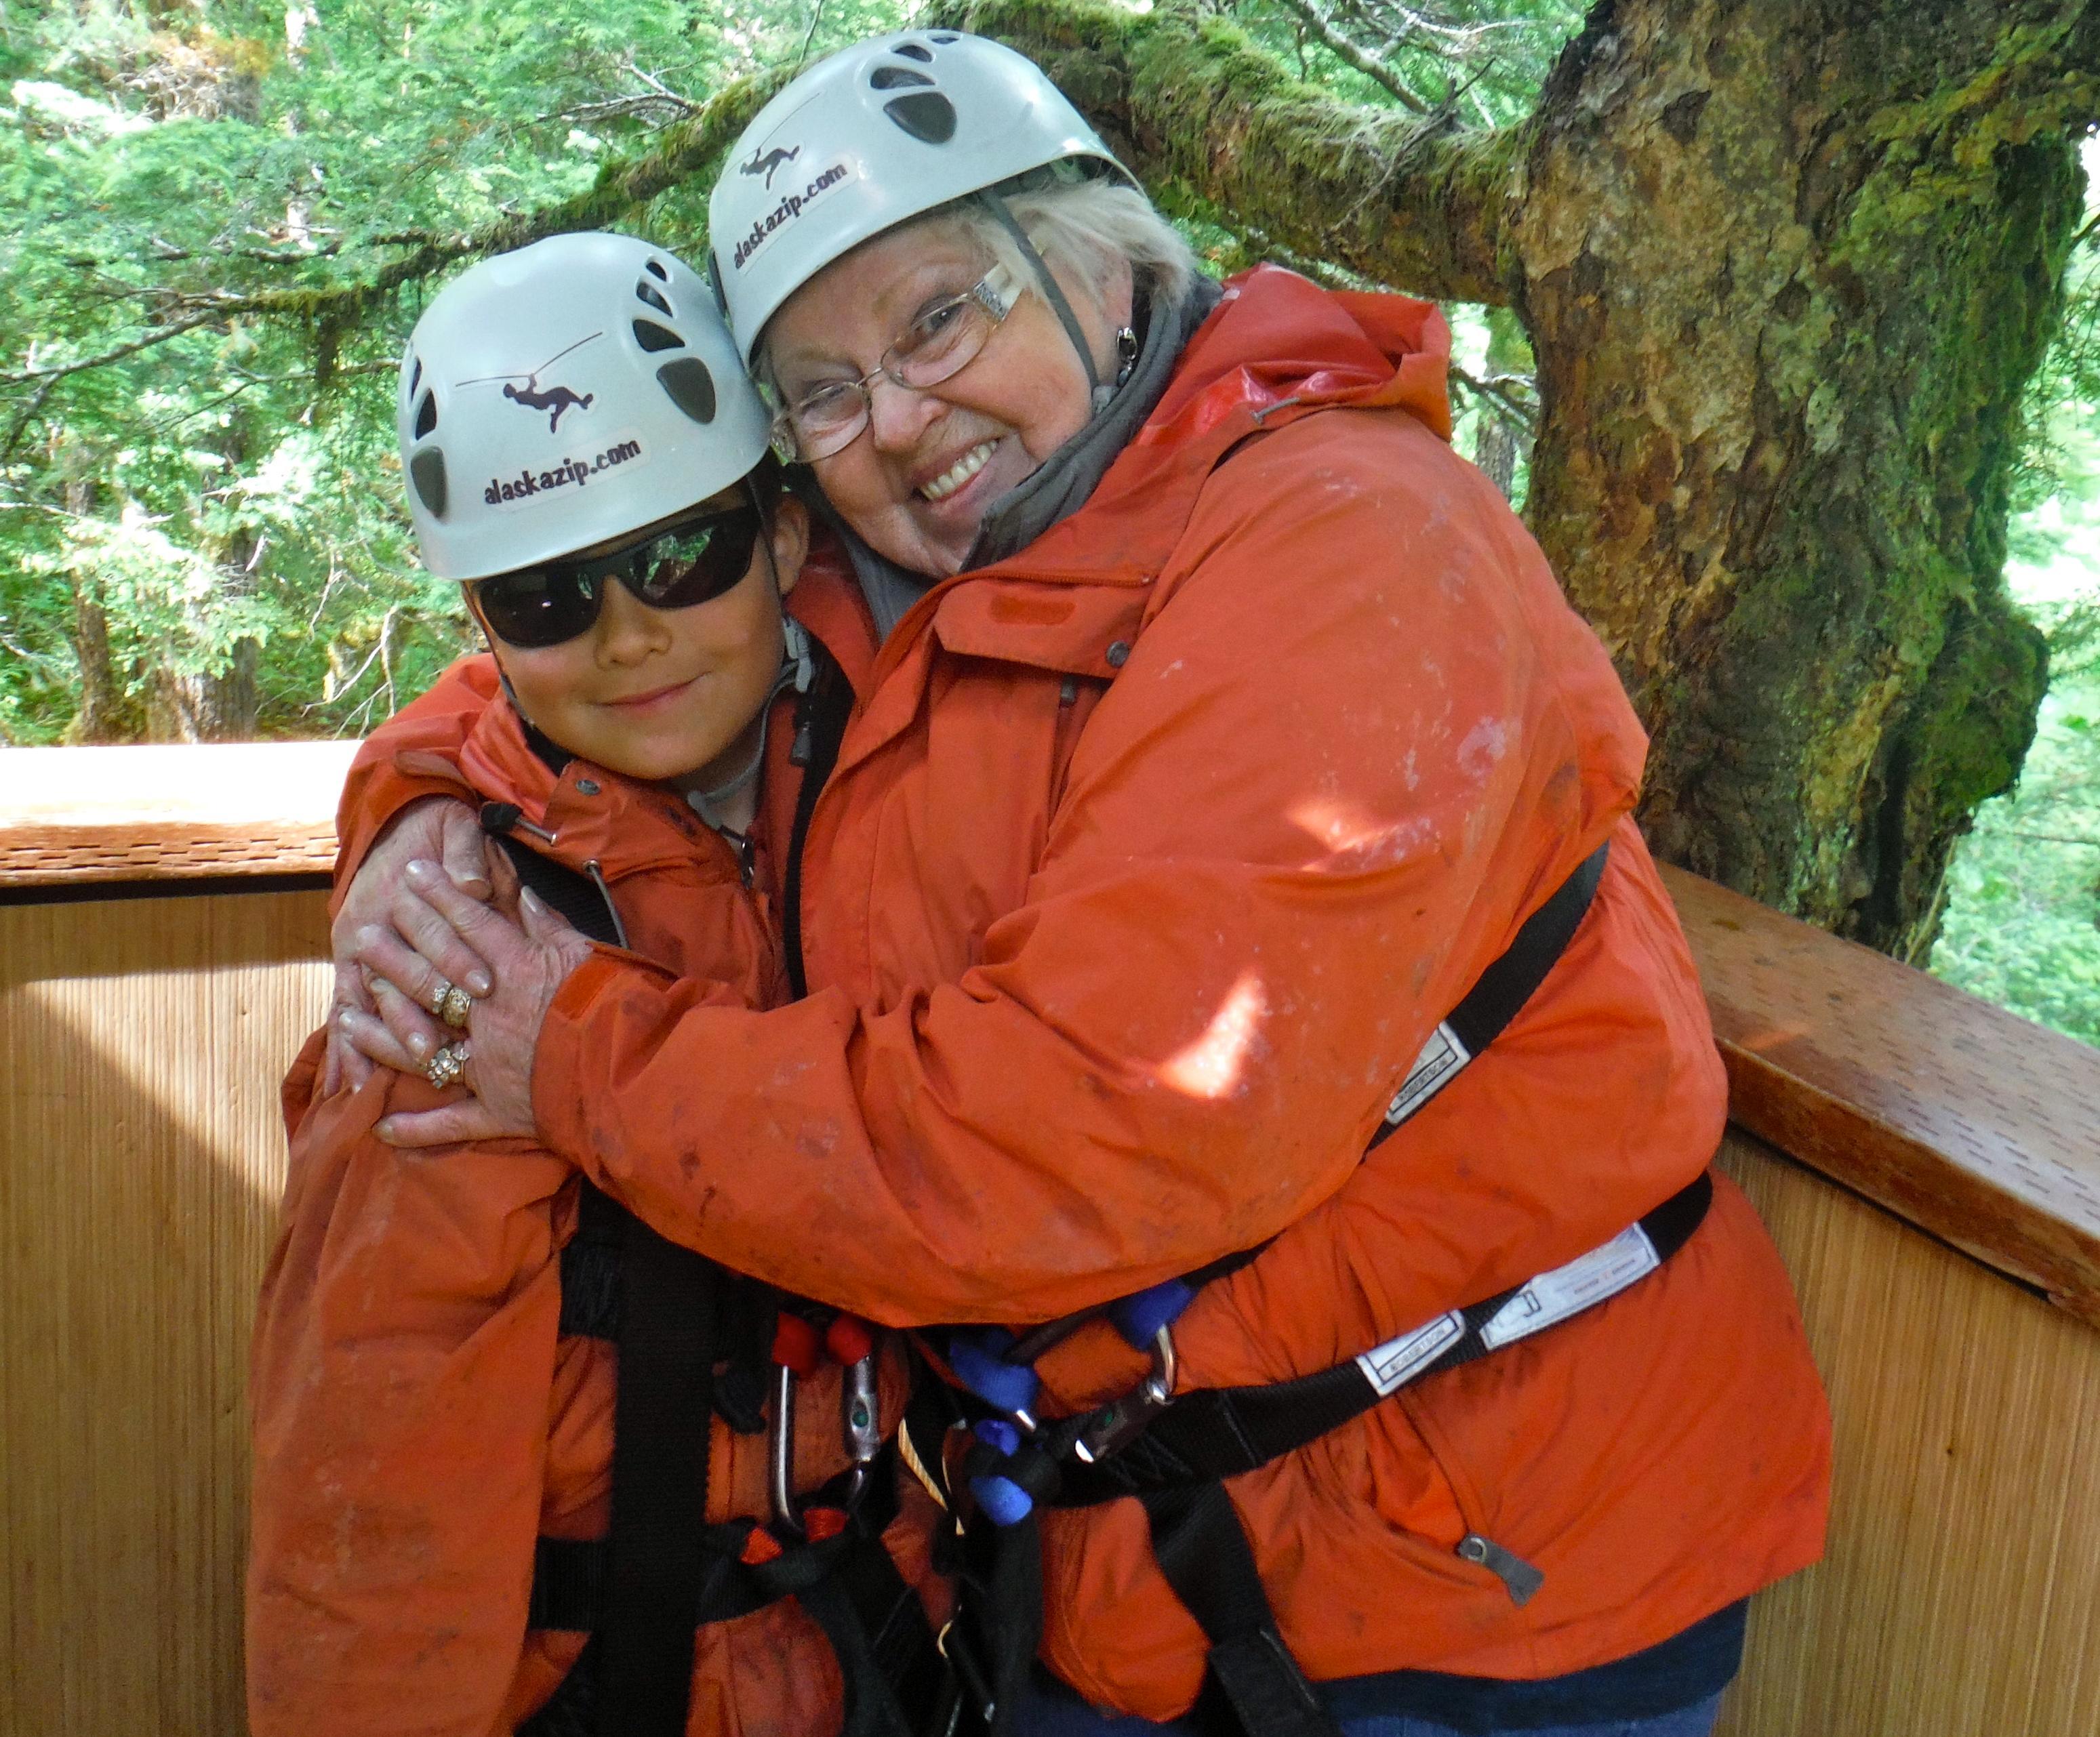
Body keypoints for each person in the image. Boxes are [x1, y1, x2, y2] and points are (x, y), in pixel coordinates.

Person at [328, 30, 1831, 1737]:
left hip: (1475, 1587)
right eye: (823, 392)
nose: (897, 418)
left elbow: (1094, 1130)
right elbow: (614, 656)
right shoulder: (949, 546)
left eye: (937, 316)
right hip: (1121, 1573)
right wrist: (418, 807)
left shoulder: (1345, 548)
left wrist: (571, 1053)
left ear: (1104, 257)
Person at [247, 232, 937, 1737]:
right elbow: (372, 1516)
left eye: (679, 555)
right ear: (482, 623)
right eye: (549, 599)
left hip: (903, 1641)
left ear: (780, 530)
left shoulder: (913, 767)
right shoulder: (456, 954)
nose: (629, 636)